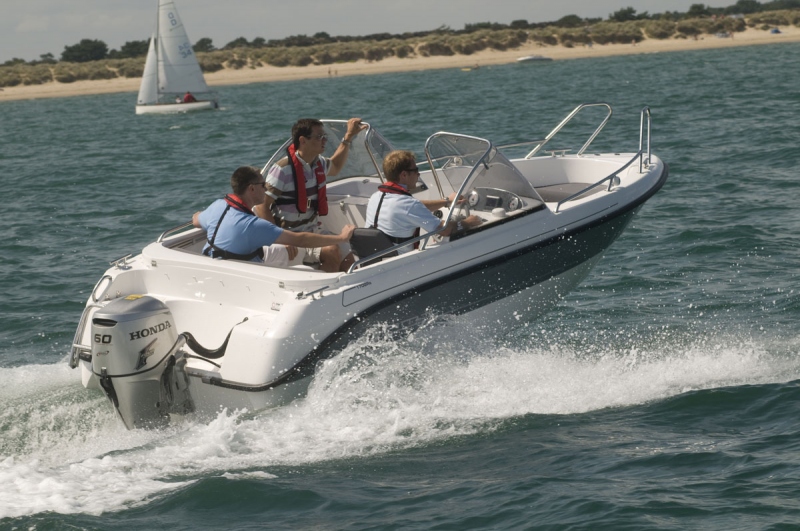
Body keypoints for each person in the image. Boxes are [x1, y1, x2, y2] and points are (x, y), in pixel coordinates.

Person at [255, 117, 367, 273]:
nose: (324, 140)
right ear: (303, 140)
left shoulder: (318, 163)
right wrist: (279, 238)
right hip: (292, 235)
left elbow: (335, 166)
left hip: (313, 230)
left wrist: (348, 138)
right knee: (332, 250)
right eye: (319, 137)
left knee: (350, 257)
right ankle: (328, 286)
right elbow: (261, 205)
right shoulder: (282, 169)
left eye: (324, 136)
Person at [192, 166, 354, 268]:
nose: (266, 189)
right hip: (246, 273)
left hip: (215, 265)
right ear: (251, 189)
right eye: (263, 185)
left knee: (284, 250)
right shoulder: (252, 225)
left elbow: (195, 220)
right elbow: (301, 240)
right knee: (307, 250)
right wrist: (341, 237)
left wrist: (201, 214)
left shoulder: (217, 206)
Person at [364, 150, 482, 254]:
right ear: (404, 175)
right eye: (416, 170)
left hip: (376, 257)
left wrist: (446, 201)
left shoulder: (375, 197)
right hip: (403, 262)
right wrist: (467, 222)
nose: (418, 174)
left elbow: (411, 208)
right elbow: (445, 230)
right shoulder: (408, 205)